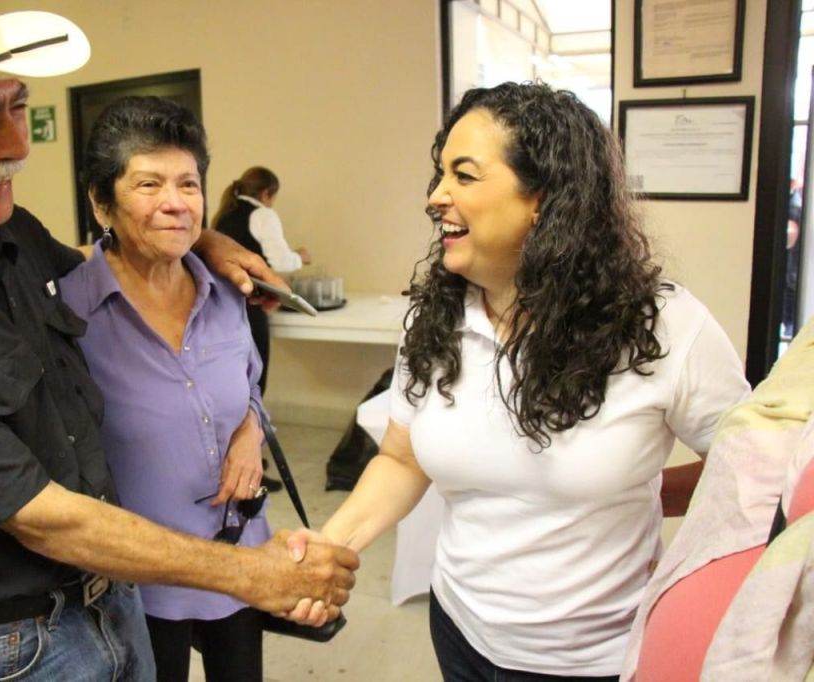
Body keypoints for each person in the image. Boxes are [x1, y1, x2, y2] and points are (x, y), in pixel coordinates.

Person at [0, 2, 357, 681]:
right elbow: (41, 517)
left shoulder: (6, 234)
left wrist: (200, 234)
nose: (15, 144)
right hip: (15, 650)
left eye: (16, 107)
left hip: (111, 603)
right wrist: (249, 573)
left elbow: (124, 261)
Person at [288, 81, 750, 681]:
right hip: (460, 631)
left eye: (464, 175)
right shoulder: (437, 321)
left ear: (545, 197)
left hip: (595, 662)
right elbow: (402, 459)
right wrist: (332, 546)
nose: (435, 196)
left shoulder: (660, 326)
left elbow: (750, 466)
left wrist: (650, 491)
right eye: (439, 175)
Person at [60, 96, 271, 682]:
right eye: (148, 184)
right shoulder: (70, 311)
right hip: (140, 574)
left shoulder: (228, 294)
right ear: (102, 202)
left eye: (189, 183)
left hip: (237, 548)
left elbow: (251, 386)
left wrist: (251, 433)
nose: (176, 203)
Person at [622, 315, 814, 681]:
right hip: (484, 641)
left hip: (600, 645)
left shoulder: (671, 322)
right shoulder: (803, 359)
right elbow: (728, 477)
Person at [212, 167, 311, 491]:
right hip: (250, 306)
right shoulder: (263, 216)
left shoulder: (224, 215)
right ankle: (248, 464)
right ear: (267, 193)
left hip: (220, 308)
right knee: (254, 386)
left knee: (231, 386)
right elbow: (278, 261)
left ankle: (238, 457)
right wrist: (299, 257)